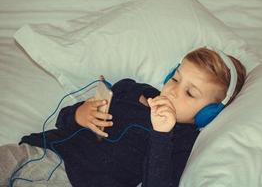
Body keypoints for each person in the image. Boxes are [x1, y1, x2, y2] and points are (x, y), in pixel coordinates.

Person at [0, 47, 246, 187]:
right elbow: (62, 121)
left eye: (190, 93)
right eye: (175, 78)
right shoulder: (129, 89)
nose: (172, 90)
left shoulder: (182, 140)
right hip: (40, 151)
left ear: (207, 114)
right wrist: (78, 114)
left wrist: (162, 135)